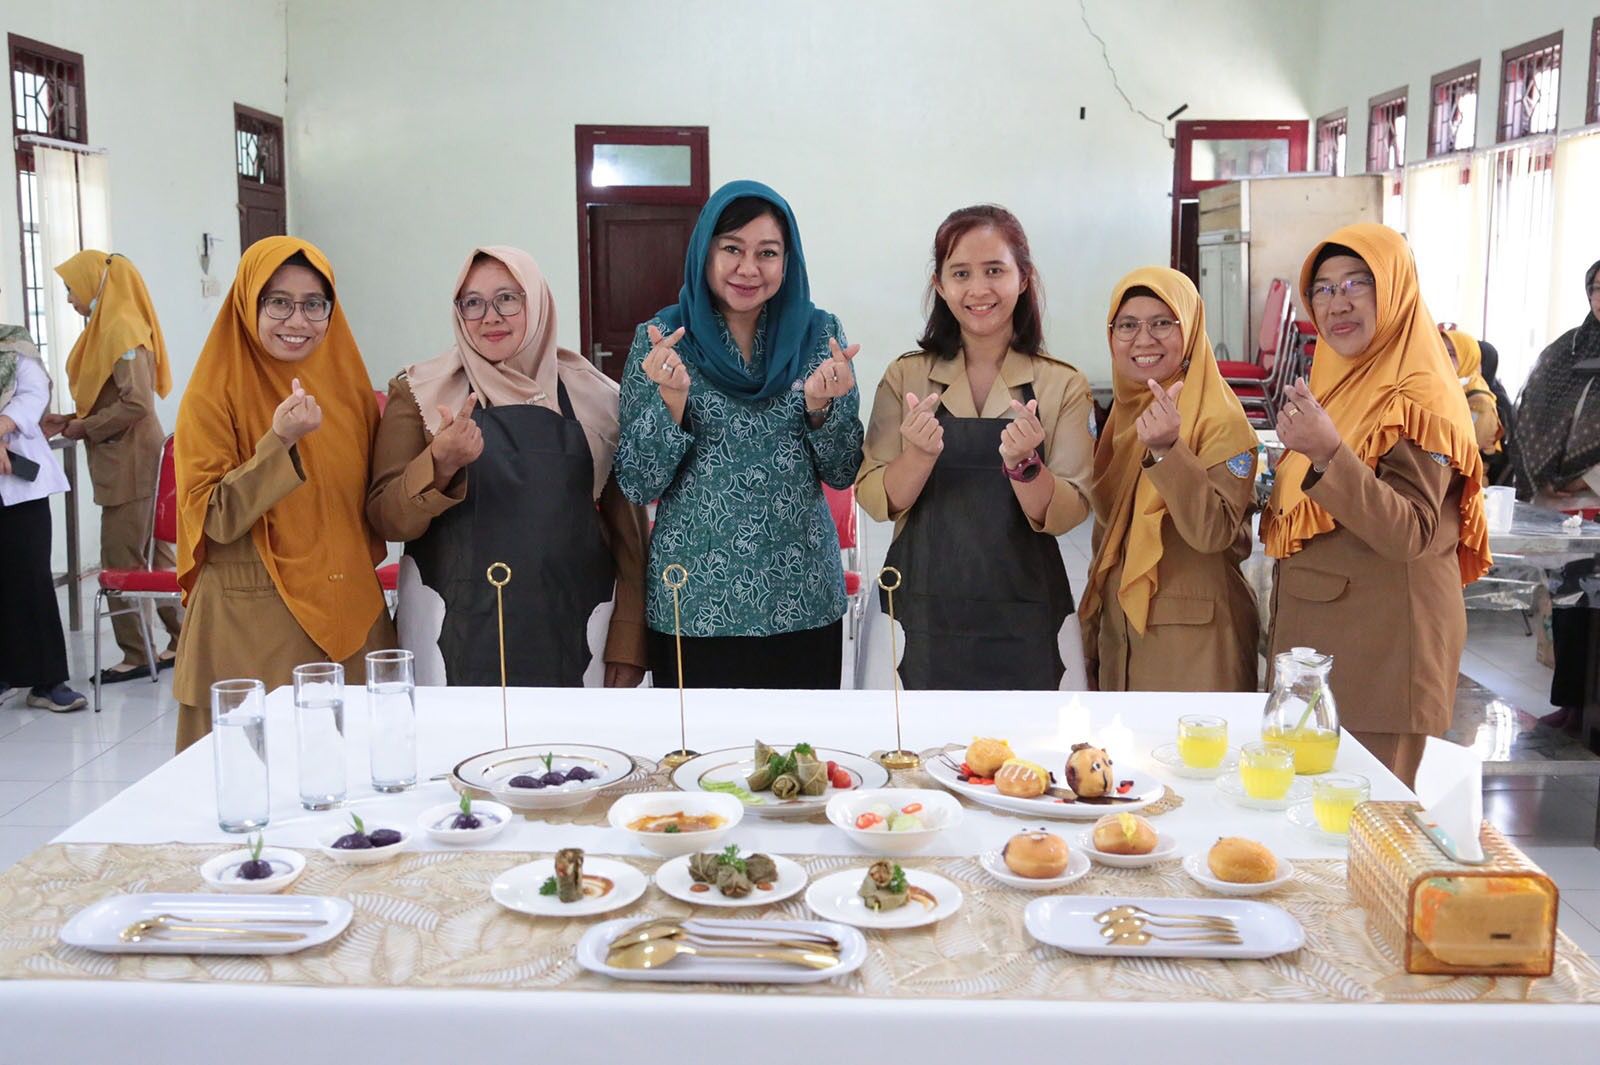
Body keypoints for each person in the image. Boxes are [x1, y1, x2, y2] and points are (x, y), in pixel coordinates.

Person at [1262, 223, 1490, 788]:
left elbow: (1409, 530)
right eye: (1322, 289)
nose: (1337, 303)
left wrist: (1327, 453)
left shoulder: (1418, 395)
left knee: (1368, 837)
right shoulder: (1342, 381)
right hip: (1328, 648)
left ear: (1394, 288)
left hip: (1384, 652)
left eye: (1356, 283)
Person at [615, 180, 862, 689]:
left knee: (801, 760)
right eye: (732, 249)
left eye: (767, 253)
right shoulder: (661, 341)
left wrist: (821, 410)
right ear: (704, 251)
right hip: (696, 600)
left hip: (801, 597)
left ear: (787, 261)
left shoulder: (821, 336)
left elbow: (842, 470)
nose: (749, 269)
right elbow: (638, 482)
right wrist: (671, 404)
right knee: (697, 764)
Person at [367, 246, 648, 687]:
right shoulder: (420, 392)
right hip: (450, 631)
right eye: (473, 303)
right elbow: (386, 518)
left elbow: (630, 541)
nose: (490, 316)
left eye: (508, 298)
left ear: (536, 303)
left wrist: (629, 644)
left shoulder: (597, 398)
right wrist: (439, 464)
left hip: (577, 632)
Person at [171, 236, 396, 752]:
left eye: (314, 304)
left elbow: (375, 499)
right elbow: (214, 520)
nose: (298, 320)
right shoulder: (213, 393)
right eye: (278, 302)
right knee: (254, 791)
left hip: (351, 618)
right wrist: (280, 442)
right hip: (252, 627)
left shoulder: (349, 388)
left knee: (356, 789)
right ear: (249, 303)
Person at [856, 205, 1092, 689]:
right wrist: (918, 457)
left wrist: (1027, 467)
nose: (978, 289)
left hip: (1027, 616)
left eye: (995, 271)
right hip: (920, 612)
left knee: (1022, 760)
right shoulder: (907, 377)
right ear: (940, 285)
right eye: (960, 273)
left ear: (1023, 278)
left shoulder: (1061, 385)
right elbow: (877, 498)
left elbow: (1070, 512)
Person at [1079, 267, 1260, 692]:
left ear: (1191, 330)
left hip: (1197, 647)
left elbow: (1212, 532)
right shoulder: (1122, 419)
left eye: (1163, 322)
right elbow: (1106, 539)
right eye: (1127, 325)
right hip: (1122, 638)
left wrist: (1167, 450)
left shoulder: (1221, 421)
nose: (1143, 339)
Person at [46, 251, 181, 681]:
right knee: (157, 559)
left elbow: (137, 402)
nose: (68, 298)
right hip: (130, 458)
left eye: (70, 288)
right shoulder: (109, 328)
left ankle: (137, 654)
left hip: (133, 462)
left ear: (91, 282)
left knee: (122, 557)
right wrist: (72, 421)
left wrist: (84, 429)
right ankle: (184, 639)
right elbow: (110, 398)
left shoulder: (121, 329)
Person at [1516, 258, 1600, 729]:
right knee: (1568, 609)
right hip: (1562, 507)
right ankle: (1571, 705)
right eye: (1597, 288)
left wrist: (1587, 478)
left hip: (1596, 495)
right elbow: (1531, 413)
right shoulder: (1567, 349)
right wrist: (1546, 474)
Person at [0, 324, 87, 712]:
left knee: (31, 576)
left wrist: (2, 426)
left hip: (16, 480)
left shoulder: (12, 344)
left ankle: (47, 681)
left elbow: (34, 393)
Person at [1439, 326, 1510, 480]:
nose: (1443, 358)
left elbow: (1465, 446)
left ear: (1467, 358)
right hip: (1442, 479)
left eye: (1451, 354)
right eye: (1440, 350)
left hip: (1466, 485)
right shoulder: (1442, 390)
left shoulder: (1480, 401)